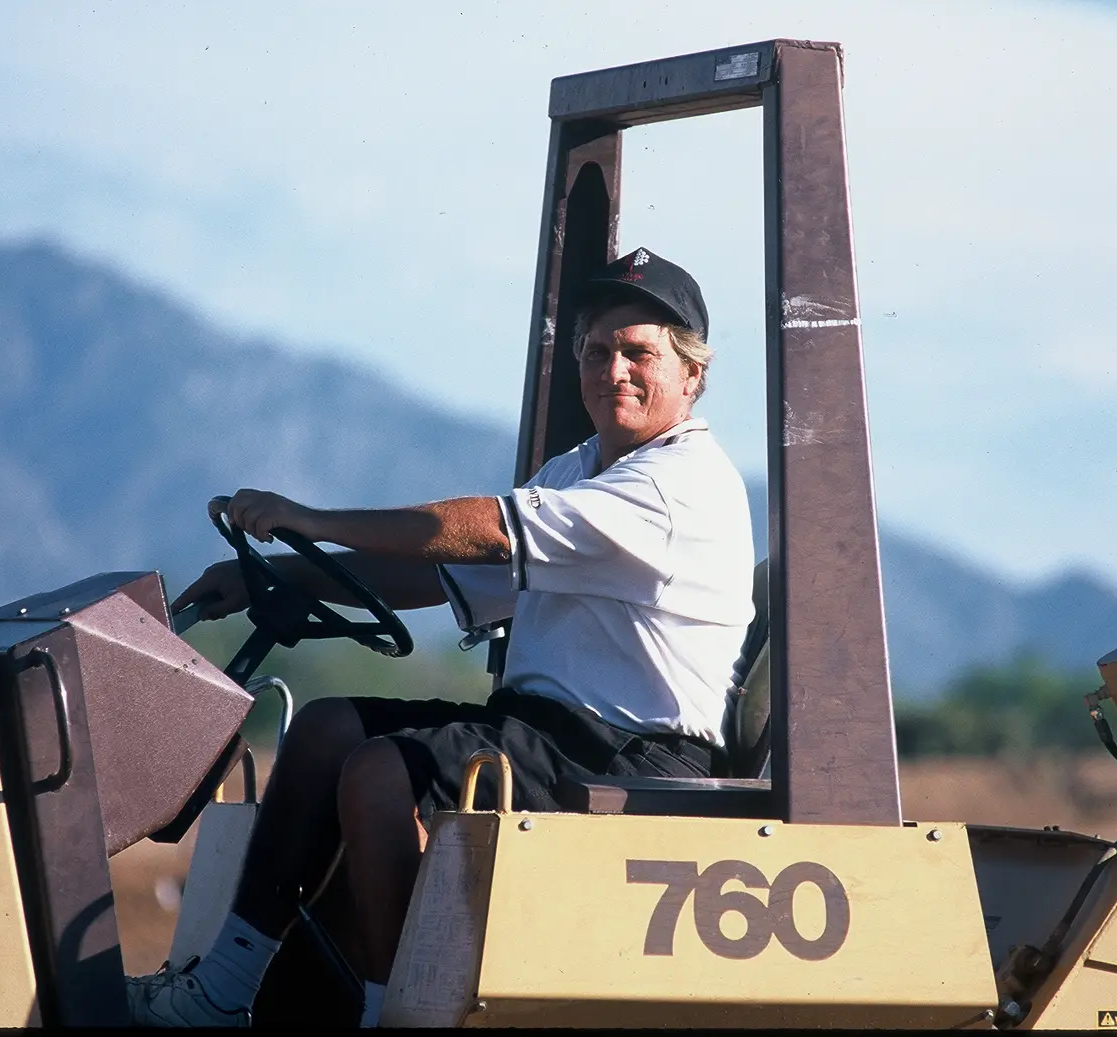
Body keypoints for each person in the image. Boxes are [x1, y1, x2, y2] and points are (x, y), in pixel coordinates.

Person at [126, 249, 755, 1027]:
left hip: (631, 754)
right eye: (597, 351)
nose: (613, 370)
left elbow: (488, 533)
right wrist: (279, 577)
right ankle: (227, 987)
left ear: (691, 374)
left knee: (380, 774)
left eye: (639, 353)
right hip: (542, 732)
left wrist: (312, 519)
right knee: (327, 729)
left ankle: (399, 1013)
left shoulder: (675, 485)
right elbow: (440, 575)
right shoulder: (579, 470)